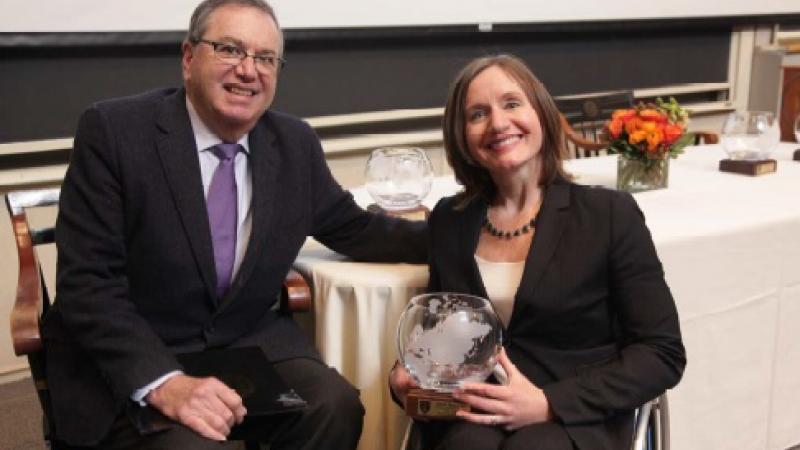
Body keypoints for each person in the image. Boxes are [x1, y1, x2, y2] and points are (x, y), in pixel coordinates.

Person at [44, 0, 426, 448]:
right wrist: (165, 383)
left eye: (266, 58)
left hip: (243, 342)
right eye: (229, 49)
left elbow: (356, 229)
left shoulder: (294, 144)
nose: (249, 70)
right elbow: (88, 286)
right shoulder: (114, 132)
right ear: (188, 58)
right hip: (138, 351)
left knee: (334, 405)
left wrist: (469, 229)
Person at [389, 54, 686, 450]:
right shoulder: (451, 219)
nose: (498, 123)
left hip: (577, 416)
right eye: (478, 114)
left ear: (541, 114)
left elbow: (661, 352)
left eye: (512, 104)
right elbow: (442, 329)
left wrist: (548, 402)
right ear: (462, 136)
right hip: (476, 412)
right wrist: (407, 373)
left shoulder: (609, 215)